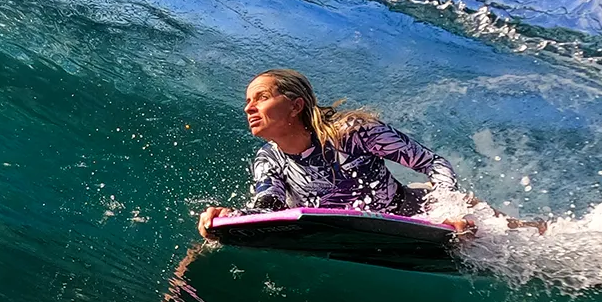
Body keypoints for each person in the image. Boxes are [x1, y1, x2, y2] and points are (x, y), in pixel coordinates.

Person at [198, 69, 474, 238]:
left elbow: (432, 162)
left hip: (416, 211)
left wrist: (447, 211)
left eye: (261, 97)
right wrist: (232, 217)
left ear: (296, 106)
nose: (249, 108)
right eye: (247, 101)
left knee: (489, 229)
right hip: (344, 229)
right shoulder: (268, 158)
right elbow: (269, 205)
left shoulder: (354, 133)